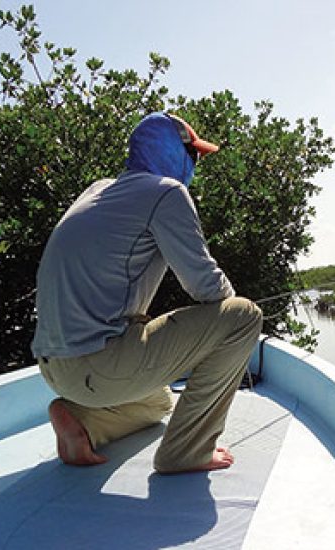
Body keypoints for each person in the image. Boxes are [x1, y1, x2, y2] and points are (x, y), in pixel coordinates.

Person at [31, 112, 263, 473]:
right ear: (172, 152)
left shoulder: (98, 189)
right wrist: (232, 312)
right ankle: (186, 453)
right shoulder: (165, 192)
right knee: (244, 316)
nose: (195, 163)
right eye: (193, 154)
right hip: (99, 364)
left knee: (158, 403)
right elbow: (207, 287)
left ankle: (81, 420)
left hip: (57, 369)